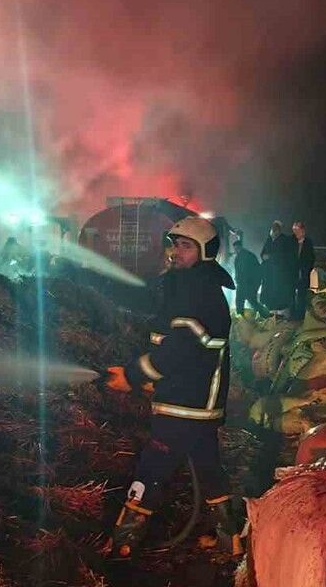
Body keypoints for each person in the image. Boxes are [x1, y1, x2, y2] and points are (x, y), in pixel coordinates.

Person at [103, 216, 245, 558]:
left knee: (153, 465)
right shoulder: (191, 287)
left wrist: (134, 375)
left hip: (186, 403)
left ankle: (122, 543)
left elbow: (179, 348)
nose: (175, 253)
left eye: (185, 247)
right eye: (174, 245)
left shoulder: (199, 293)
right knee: (208, 467)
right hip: (194, 401)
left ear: (205, 253)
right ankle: (232, 539)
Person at [259, 221, 297, 317]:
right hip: (268, 273)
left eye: (275, 229)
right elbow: (262, 253)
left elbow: (284, 256)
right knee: (268, 291)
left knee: (278, 293)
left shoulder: (284, 240)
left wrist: (271, 257)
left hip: (279, 273)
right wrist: (264, 256)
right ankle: (270, 311)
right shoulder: (269, 240)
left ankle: (280, 313)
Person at [229, 232, 263, 315]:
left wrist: (239, 280)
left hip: (246, 283)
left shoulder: (243, 256)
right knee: (250, 300)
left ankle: (241, 316)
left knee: (242, 300)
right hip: (248, 282)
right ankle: (263, 314)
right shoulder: (247, 255)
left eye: (235, 249)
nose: (235, 251)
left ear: (238, 247)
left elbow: (243, 271)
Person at [291, 221, 315, 320]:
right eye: (294, 230)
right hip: (292, 273)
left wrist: (306, 269)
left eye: (297, 230)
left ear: (302, 231)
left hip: (303, 274)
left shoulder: (308, 243)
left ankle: (301, 315)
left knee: (302, 295)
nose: (295, 233)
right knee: (291, 294)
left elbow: (311, 258)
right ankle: (292, 314)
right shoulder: (291, 242)